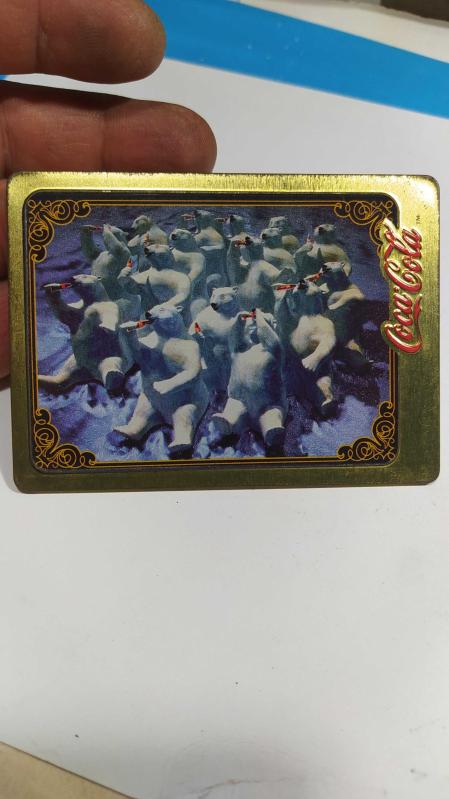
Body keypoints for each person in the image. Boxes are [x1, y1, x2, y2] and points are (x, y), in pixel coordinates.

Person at [0, 0, 216, 380]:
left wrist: (115, 241)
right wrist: (91, 238)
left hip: (139, 310)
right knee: (79, 357)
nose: (151, 245)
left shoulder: (157, 269)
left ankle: (112, 369)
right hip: (122, 302)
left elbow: (136, 263)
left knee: (117, 349)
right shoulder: (124, 271)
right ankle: (100, 368)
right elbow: (101, 256)